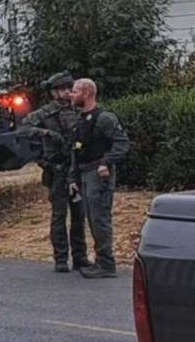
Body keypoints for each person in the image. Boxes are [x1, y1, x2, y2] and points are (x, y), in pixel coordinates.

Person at [20, 71, 86, 272]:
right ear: (54, 92)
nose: (68, 92)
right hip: (57, 170)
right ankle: (60, 259)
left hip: (76, 169)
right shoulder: (45, 113)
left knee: (79, 215)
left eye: (70, 88)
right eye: (63, 89)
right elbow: (24, 128)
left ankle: (80, 257)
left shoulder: (78, 110)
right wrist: (46, 133)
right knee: (59, 215)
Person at [69, 79, 130, 278]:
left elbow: (121, 144)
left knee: (100, 219)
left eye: (75, 91)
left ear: (87, 93)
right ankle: (99, 261)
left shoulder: (104, 118)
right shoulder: (80, 119)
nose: (71, 94)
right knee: (92, 219)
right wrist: (73, 178)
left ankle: (106, 263)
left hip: (98, 174)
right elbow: (76, 151)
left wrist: (106, 162)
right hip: (84, 174)